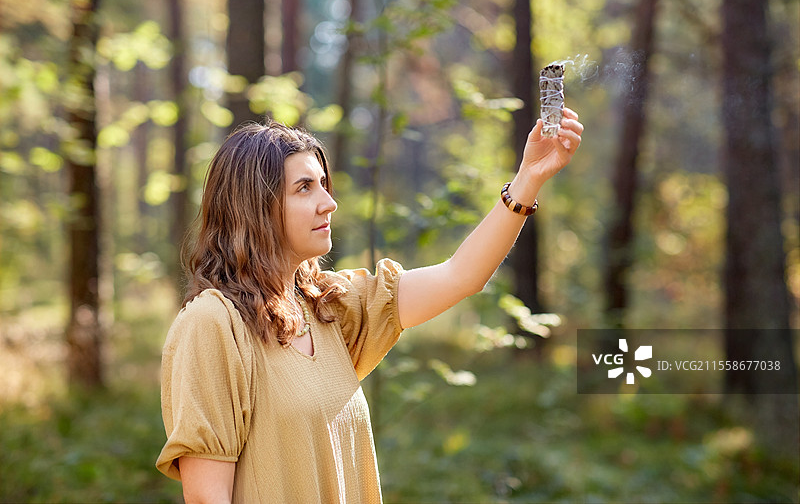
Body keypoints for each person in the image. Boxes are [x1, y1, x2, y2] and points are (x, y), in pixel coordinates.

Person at [156, 109, 583, 503]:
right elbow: (207, 498)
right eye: (304, 188)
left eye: (323, 184)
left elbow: (460, 276)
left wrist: (528, 178)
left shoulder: (328, 308)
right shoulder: (214, 324)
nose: (328, 202)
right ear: (254, 207)